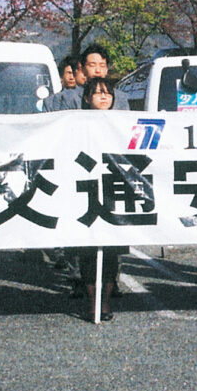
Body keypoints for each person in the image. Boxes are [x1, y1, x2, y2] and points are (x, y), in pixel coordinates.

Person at [72, 76, 128, 322]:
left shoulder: (122, 123)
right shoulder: (75, 124)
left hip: (113, 191)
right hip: (85, 192)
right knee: (87, 253)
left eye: (108, 93)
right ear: (87, 98)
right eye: (98, 93)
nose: (104, 97)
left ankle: (105, 302)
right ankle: (92, 302)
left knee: (111, 253)